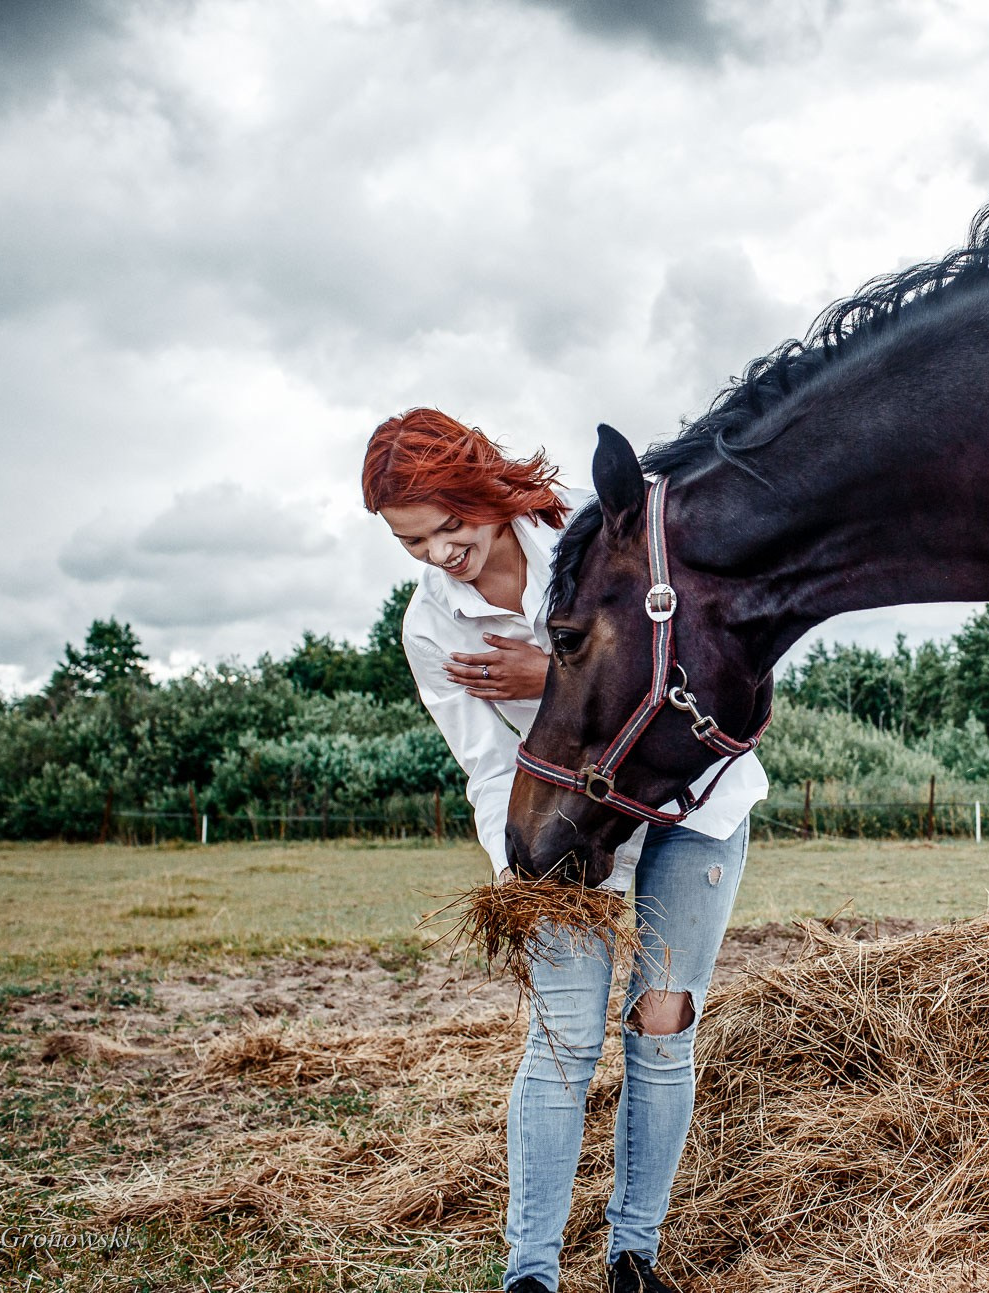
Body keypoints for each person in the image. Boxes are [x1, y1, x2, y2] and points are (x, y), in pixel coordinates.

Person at [361, 407, 768, 1293]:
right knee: (564, 1037)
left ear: (482, 491)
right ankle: (530, 1273)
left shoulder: (600, 535)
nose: (440, 554)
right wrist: (519, 877)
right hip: (568, 833)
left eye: (449, 526)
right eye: (413, 544)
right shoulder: (432, 629)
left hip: (689, 803)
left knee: (662, 1026)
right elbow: (484, 765)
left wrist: (551, 674)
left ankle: (634, 1256)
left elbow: (693, 665)